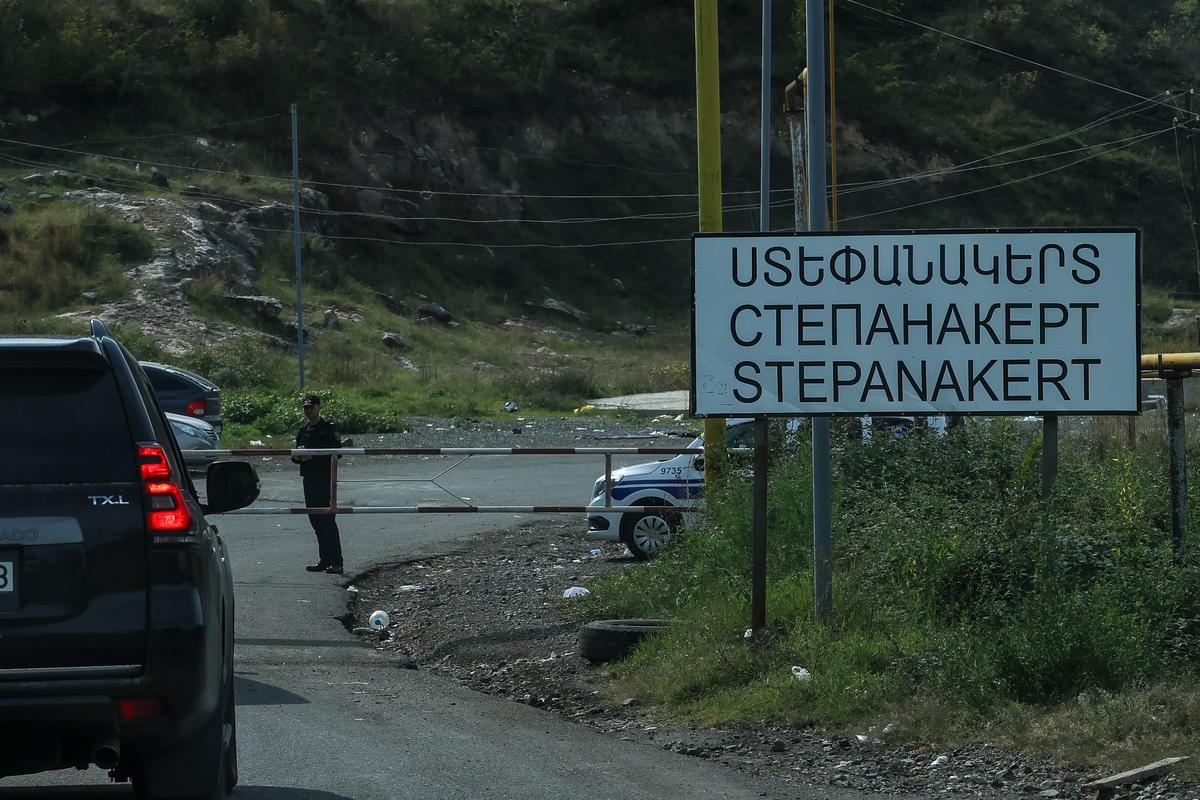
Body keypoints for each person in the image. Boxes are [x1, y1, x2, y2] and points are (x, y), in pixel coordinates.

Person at [292, 394, 344, 574]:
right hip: (309, 478)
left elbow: (337, 453)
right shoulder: (303, 430)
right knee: (315, 520)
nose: (308, 410)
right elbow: (295, 454)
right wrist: (298, 457)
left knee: (327, 520)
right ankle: (325, 559)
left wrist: (313, 456)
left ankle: (337, 561)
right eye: (305, 408)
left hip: (324, 478)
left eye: (311, 407)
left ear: (318, 407)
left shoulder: (328, 428)